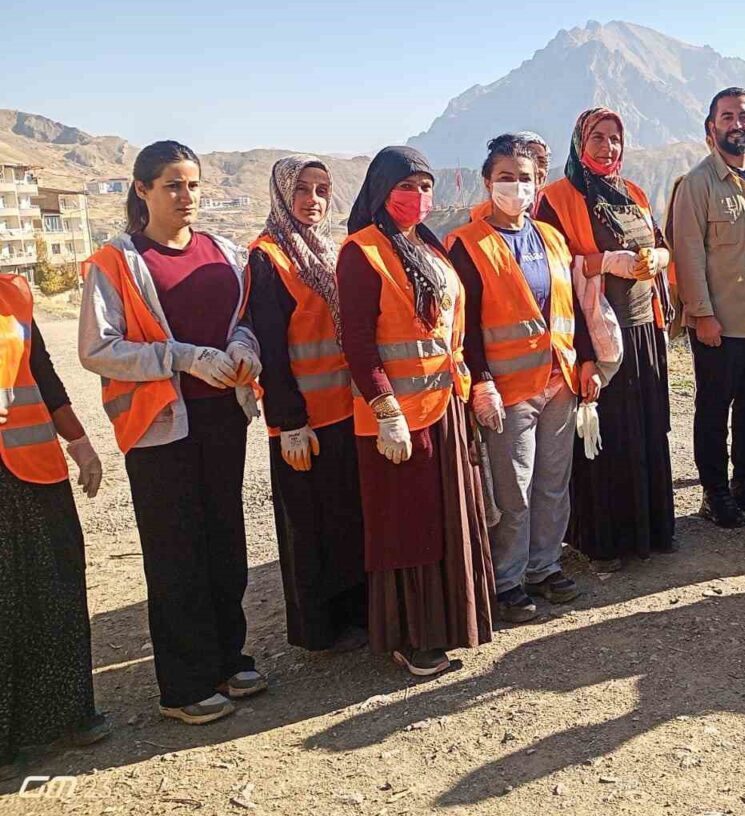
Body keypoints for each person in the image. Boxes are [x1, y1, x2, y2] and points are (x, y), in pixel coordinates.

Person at [79, 140, 266, 725]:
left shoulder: (224, 253)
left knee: (225, 542)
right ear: (142, 190)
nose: (187, 196)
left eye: (193, 185)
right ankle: (184, 686)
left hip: (222, 415)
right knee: (175, 550)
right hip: (160, 426)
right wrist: (181, 357)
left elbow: (244, 319)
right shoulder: (116, 261)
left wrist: (244, 346)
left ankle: (228, 658)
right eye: (172, 186)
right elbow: (97, 348)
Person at [338, 145, 492, 676]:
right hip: (399, 418)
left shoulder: (426, 244)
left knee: (446, 518)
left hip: (444, 406)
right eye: (406, 186)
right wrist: (386, 411)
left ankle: (451, 623)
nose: (418, 196)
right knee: (409, 525)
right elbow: (358, 343)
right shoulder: (361, 251)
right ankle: (413, 637)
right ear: (381, 190)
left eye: (425, 186)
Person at [449, 138, 599, 621]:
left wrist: (587, 360)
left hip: (559, 379)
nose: (516, 186)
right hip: (508, 389)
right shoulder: (467, 244)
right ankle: (506, 579)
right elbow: (465, 324)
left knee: (553, 481)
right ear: (487, 182)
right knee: (513, 488)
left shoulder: (551, 237)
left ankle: (544, 566)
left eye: (526, 177)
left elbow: (571, 304)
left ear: (538, 183)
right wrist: (481, 381)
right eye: (506, 177)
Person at [537, 108, 675, 570]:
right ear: (580, 142)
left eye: (615, 138)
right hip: (594, 333)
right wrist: (603, 263)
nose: (607, 146)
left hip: (643, 328)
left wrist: (655, 259)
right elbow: (554, 271)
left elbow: (660, 243)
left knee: (646, 429)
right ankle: (604, 541)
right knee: (605, 434)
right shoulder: (556, 199)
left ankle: (651, 531)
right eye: (597, 137)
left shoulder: (633, 192)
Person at [247, 156, 366, 652]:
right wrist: (289, 421)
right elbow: (270, 348)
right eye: (302, 189)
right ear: (282, 193)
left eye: (321, 189)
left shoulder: (328, 251)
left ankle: (355, 614)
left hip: (344, 411)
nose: (312, 200)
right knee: (308, 526)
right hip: (303, 421)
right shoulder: (267, 257)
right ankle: (319, 628)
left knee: (345, 518)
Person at [0, 274, 110, 777]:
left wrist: (79, 442)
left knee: (56, 587)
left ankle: (64, 715)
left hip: (34, 467)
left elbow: (41, 374)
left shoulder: (13, 295)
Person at [670, 88, 745, 527]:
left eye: (744, 116)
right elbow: (688, 254)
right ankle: (714, 493)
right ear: (712, 126)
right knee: (714, 407)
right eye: (727, 117)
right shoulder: (698, 183)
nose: (736, 124)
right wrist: (702, 314)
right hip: (720, 320)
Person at [469, 132, 551, 223]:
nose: (536, 169)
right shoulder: (480, 213)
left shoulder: (552, 207)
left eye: (541, 162)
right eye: (529, 158)